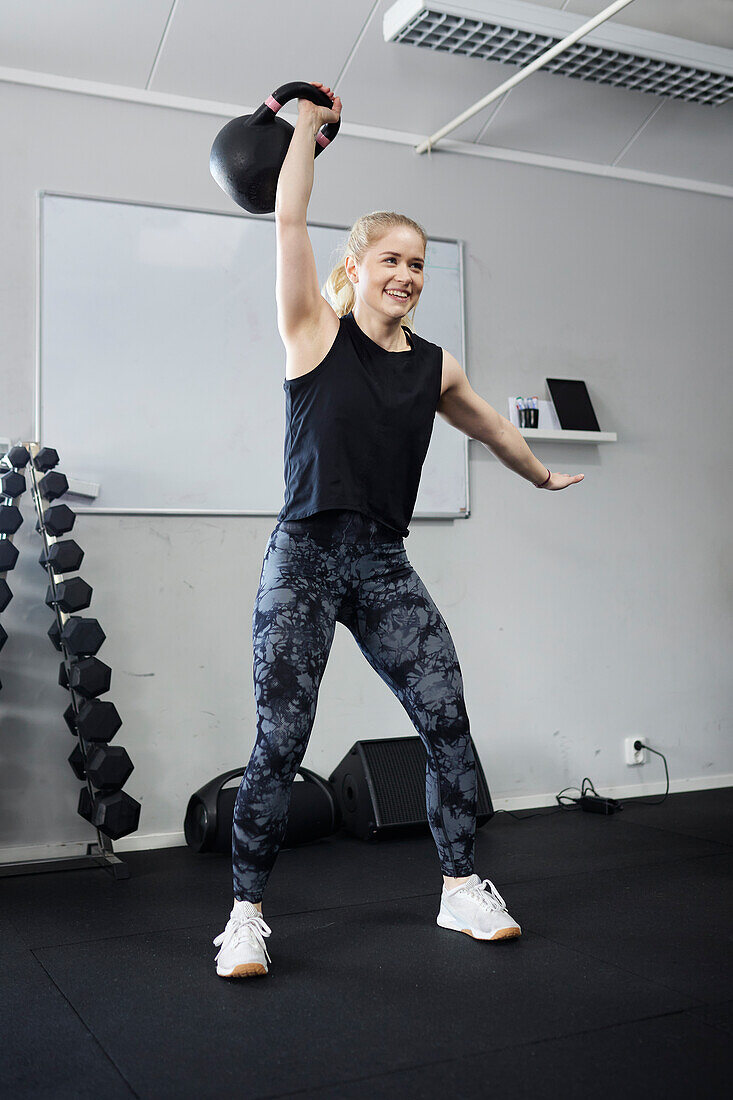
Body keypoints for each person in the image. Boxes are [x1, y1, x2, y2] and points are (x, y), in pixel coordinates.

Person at [213, 83, 584, 978]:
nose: (406, 275)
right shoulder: (311, 332)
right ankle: (246, 914)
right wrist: (305, 128)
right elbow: (289, 221)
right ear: (358, 266)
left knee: (446, 719)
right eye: (389, 259)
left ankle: (461, 887)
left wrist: (537, 472)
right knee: (280, 740)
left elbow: (491, 425)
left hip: (380, 564)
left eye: (416, 262)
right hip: (303, 555)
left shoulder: (434, 365)